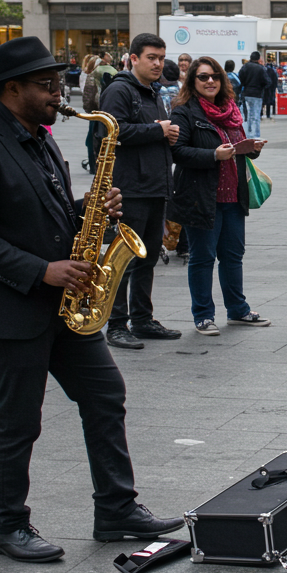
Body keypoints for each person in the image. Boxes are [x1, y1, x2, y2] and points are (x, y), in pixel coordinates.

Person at [0, 36, 182, 563]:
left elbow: (46, 212)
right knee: (20, 419)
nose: (58, 93)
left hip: (66, 301)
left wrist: (88, 210)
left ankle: (116, 509)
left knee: (105, 395)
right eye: (46, 85)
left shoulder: (42, 137)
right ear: (11, 89)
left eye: (57, 84)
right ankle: (6, 526)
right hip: (13, 306)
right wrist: (42, 271)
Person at [168, 56, 271, 335]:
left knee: (233, 256)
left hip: (234, 196)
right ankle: (203, 315)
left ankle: (238, 310)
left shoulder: (231, 109)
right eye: (203, 77)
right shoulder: (183, 112)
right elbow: (178, 152)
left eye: (214, 76)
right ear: (193, 81)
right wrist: (213, 154)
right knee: (202, 258)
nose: (210, 81)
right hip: (201, 196)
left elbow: (236, 145)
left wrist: (250, 148)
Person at [100, 33, 181, 350]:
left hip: (155, 187)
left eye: (161, 58)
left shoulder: (153, 93)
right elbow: (113, 132)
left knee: (146, 258)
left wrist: (166, 136)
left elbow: (148, 133)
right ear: (133, 58)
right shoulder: (119, 90)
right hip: (130, 189)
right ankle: (117, 324)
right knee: (124, 259)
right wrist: (158, 130)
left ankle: (143, 319)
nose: (158, 63)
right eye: (151, 57)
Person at [238, 50, 268, 138]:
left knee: (247, 115)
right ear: (258, 59)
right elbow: (267, 81)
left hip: (246, 94)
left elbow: (240, 79)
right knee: (256, 115)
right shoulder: (261, 68)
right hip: (257, 95)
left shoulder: (245, 67)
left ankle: (248, 133)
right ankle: (256, 134)